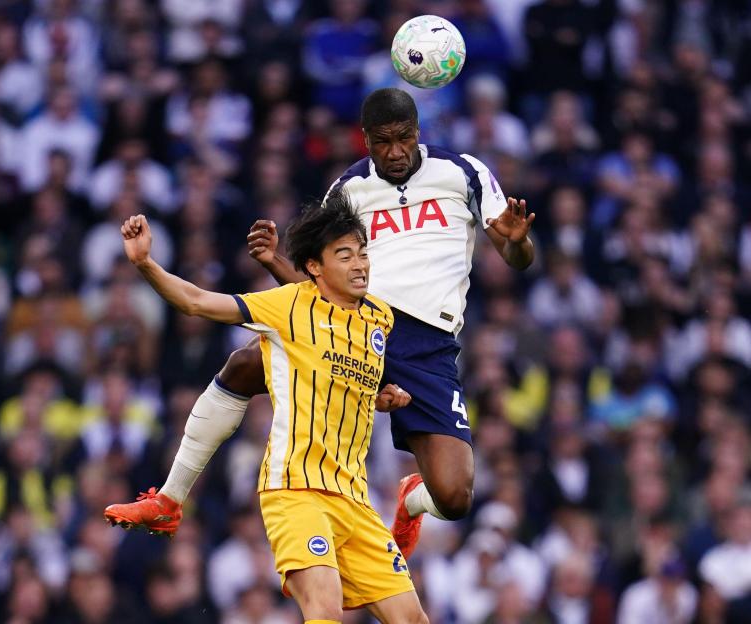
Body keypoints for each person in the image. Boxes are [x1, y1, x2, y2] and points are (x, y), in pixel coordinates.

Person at [106, 88, 535, 558]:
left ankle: (412, 499)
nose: (394, 152)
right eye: (383, 141)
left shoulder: (463, 172)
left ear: (418, 133)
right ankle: (169, 498)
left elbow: (518, 258)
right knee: (244, 364)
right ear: (365, 139)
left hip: (427, 347)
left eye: (404, 139)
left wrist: (516, 243)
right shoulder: (348, 190)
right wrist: (273, 261)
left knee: (455, 498)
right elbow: (314, 282)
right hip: (354, 326)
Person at [107, 191, 427, 623]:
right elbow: (196, 302)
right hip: (296, 491)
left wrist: (382, 394)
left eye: (363, 253)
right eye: (345, 255)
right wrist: (145, 263)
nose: (360, 265)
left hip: (355, 498)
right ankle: (169, 498)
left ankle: (406, 513)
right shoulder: (287, 306)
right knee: (325, 609)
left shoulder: (379, 319)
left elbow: (346, 378)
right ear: (314, 267)